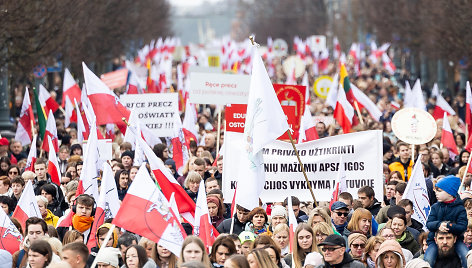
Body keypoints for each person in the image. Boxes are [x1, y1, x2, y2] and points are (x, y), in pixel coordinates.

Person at [424, 175, 468, 268]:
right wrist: (438, 225)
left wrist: (449, 226)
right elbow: (429, 223)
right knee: (428, 259)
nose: (436, 193)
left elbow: (463, 226)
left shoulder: (460, 209)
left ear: (450, 193)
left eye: (439, 191)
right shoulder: (435, 207)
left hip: (457, 241)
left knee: (466, 257)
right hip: (434, 241)